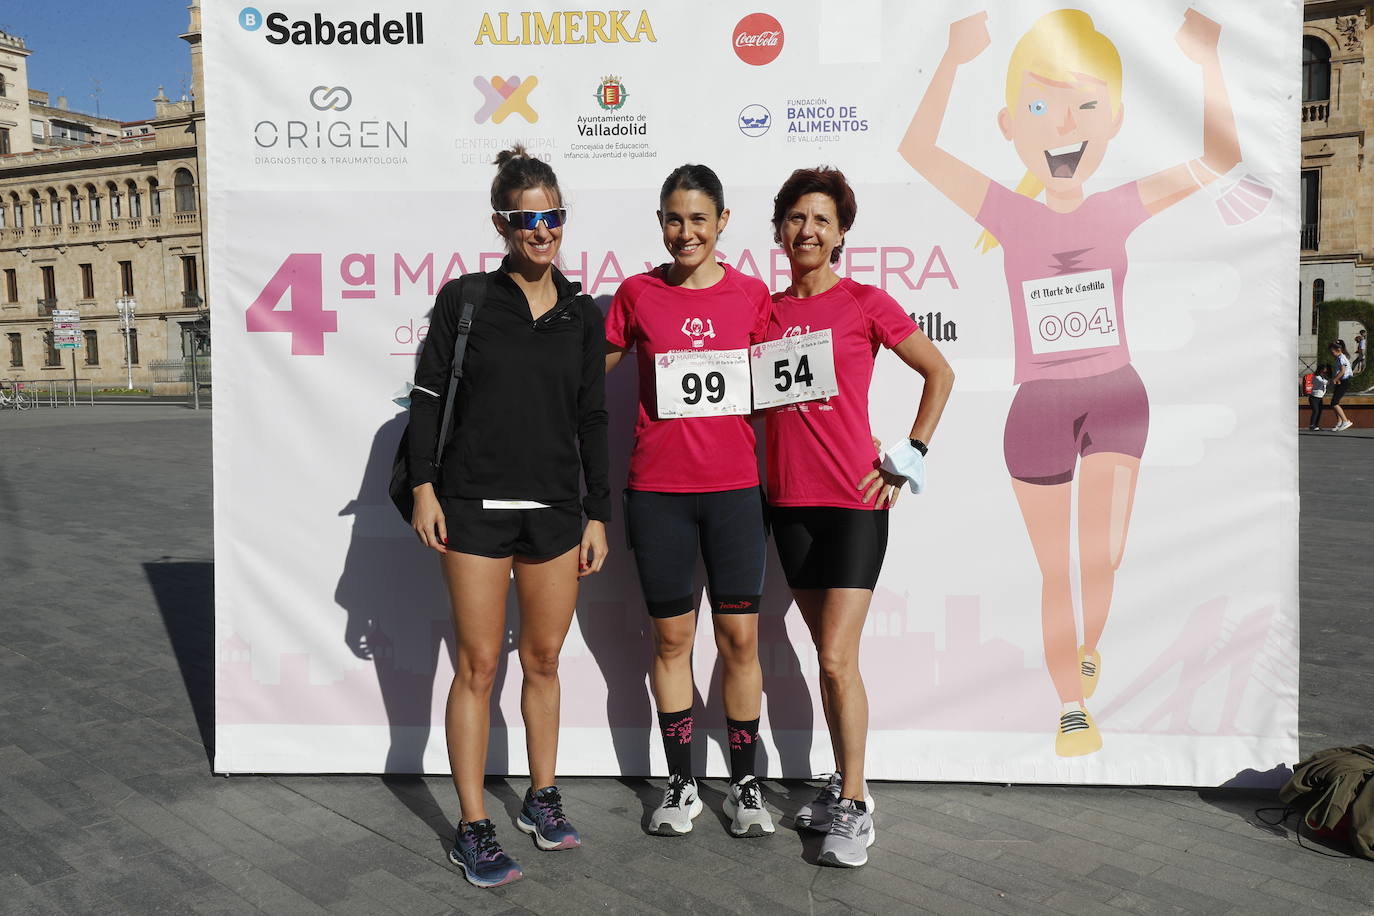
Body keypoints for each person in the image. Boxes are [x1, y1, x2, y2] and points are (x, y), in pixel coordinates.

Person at [899, 8, 1240, 757]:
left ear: (1113, 121)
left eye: (1085, 106)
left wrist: (1206, 60)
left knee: (1103, 557)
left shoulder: (1121, 206)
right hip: (1040, 410)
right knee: (1056, 568)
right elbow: (917, 149)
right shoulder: (1008, 212)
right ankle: (1071, 705)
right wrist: (954, 59)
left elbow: (1219, 155)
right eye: (1040, 107)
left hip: (1117, 396)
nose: (1062, 126)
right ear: (1009, 123)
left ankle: (1087, 643)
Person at [406, 145, 610, 888]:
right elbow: (428, 398)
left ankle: (542, 798)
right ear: (502, 223)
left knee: (546, 661)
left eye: (553, 216)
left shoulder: (582, 313)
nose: (543, 231)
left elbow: (592, 417)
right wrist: (424, 488)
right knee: (479, 666)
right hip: (474, 510)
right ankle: (473, 825)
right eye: (528, 219)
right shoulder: (465, 301)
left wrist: (598, 512)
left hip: (557, 512)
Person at [762, 166, 953, 867]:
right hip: (788, 504)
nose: (808, 229)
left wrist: (910, 453)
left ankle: (854, 800)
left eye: (822, 219)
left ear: (841, 233)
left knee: (839, 659)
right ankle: (841, 784)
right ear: (780, 230)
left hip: (854, 501)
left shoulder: (865, 303)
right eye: (796, 217)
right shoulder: (764, 311)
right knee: (828, 658)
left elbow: (940, 372)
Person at [604, 164, 776, 838]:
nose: (686, 231)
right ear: (660, 223)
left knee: (739, 639)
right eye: (674, 218)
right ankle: (681, 785)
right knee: (672, 638)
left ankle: (744, 786)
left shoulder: (754, 295)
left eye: (699, 219)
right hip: (658, 494)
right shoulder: (636, 294)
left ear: (723, 222)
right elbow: (586, 378)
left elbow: (782, 386)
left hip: (735, 492)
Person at [1329, 340, 1355, 431]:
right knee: (1334, 403)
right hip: (1341, 381)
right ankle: (1339, 422)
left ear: (1338, 349)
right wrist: (1337, 380)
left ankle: (1345, 421)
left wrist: (1335, 379)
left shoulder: (1341, 358)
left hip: (1344, 382)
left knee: (1334, 403)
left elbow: (1342, 371)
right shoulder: (1338, 358)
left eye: (1332, 352)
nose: (1331, 354)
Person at [1308, 365, 1330, 431]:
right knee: (1316, 411)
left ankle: (1316, 425)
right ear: (1320, 370)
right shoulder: (1316, 377)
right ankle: (1312, 425)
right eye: (1324, 371)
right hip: (1314, 397)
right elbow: (1324, 382)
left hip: (1320, 398)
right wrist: (1334, 380)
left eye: (1326, 371)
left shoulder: (1323, 377)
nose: (1325, 372)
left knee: (1319, 411)